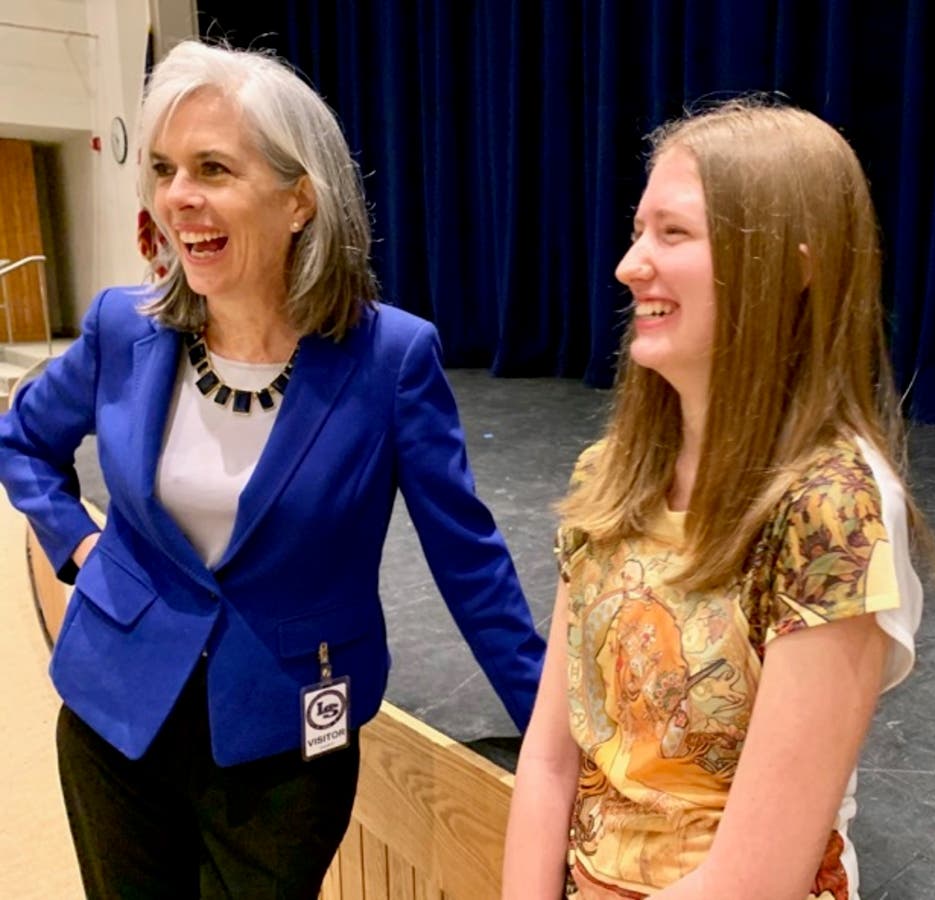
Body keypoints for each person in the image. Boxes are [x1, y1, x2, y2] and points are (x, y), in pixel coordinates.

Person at [0, 39, 544, 899]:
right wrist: (79, 545)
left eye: (213, 168)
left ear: (299, 199)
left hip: (288, 737)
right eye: (165, 169)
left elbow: (468, 565)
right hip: (115, 711)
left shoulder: (391, 359)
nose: (179, 197)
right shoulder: (122, 327)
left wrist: (552, 738)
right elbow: (22, 440)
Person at [502, 99, 928, 899]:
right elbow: (551, 760)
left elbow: (752, 879)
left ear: (790, 269)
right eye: (638, 231)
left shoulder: (828, 512)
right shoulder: (609, 474)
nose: (629, 265)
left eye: (673, 233)